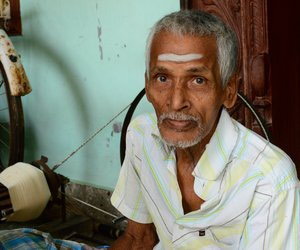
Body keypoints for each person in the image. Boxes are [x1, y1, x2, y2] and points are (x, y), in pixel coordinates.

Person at [110, 10, 300, 249]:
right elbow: (138, 238)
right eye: (162, 78)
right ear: (147, 85)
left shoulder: (269, 178)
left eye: (198, 80)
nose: (176, 101)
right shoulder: (141, 137)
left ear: (229, 91)